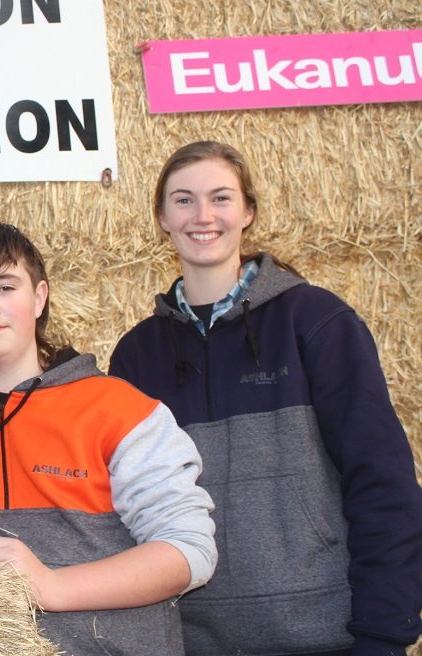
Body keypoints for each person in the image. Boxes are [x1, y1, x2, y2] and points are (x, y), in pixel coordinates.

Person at [109, 140, 422, 656]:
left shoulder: (317, 322)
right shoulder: (138, 355)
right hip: (191, 642)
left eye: (221, 198)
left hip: (327, 637)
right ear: (162, 218)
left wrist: (384, 633)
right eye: (183, 200)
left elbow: (381, 482)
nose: (202, 215)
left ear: (248, 212)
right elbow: (123, 508)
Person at [0, 218, 217, 655]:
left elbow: (189, 553)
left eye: (6, 286)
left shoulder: (120, 410)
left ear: (39, 298)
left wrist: (51, 587)